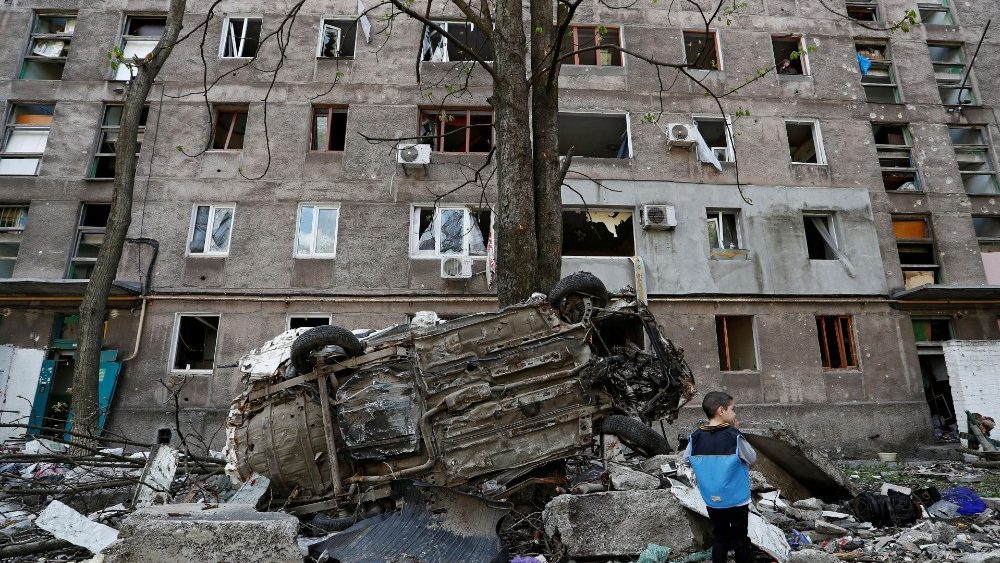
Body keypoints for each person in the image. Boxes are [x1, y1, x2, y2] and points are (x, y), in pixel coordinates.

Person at [680, 391, 756, 563]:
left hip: (712, 498)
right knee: (740, 540)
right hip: (737, 498)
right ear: (721, 410)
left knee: (719, 538)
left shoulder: (695, 436)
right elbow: (752, 458)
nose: (734, 413)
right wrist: (738, 433)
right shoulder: (733, 436)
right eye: (732, 409)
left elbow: (685, 459)